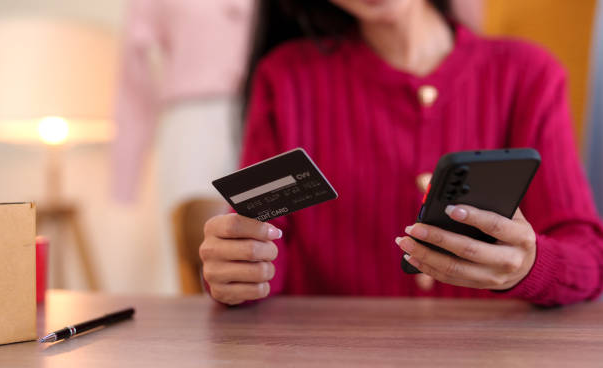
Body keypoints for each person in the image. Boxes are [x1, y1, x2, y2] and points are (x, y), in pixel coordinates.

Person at [199, 0, 603, 306]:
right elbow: (265, 251)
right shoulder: (286, 78)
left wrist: (533, 266)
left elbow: (588, 260)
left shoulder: (528, 74)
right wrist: (241, 267)